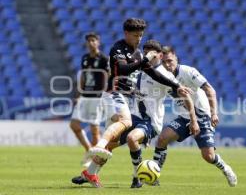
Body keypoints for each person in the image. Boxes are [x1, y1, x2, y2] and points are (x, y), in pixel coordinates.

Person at [73, 18, 191, 188]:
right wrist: (143, 62)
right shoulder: (118, 49)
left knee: (113, 142)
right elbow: (122, 69)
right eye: (136, 35)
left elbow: (154, 74)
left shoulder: (145, 60)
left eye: (141, 35)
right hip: (115, 94)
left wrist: (177, 85)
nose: (139, 39)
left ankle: (91, 172)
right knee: (124, 125)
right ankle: (105, 152)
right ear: (126, 33)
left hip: (141, 114)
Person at [152, 46, 238, 187]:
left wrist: (214, 113)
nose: (168, 65)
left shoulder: (188, 72)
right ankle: (154, 174)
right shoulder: (163, 77)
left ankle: (225, 168)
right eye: (165, 62)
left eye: (170, 61)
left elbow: (210, 90)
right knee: (162, 139)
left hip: (202, 116)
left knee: (208, 156)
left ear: (176, 58)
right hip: (184, 117)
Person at [69, 32, 109, 167]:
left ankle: (95, 161)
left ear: (98, 42)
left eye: (94, 40)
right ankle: (89, 150)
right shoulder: (85, 58)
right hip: (85, 96)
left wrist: (105, 95)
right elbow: (83, 77)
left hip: (97, 97)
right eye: (89, 41)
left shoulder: (103, 59)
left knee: (94, 129)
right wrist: (78, 94)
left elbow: (107, 78)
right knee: (74, 125)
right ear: (86, 43)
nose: (91, 43)